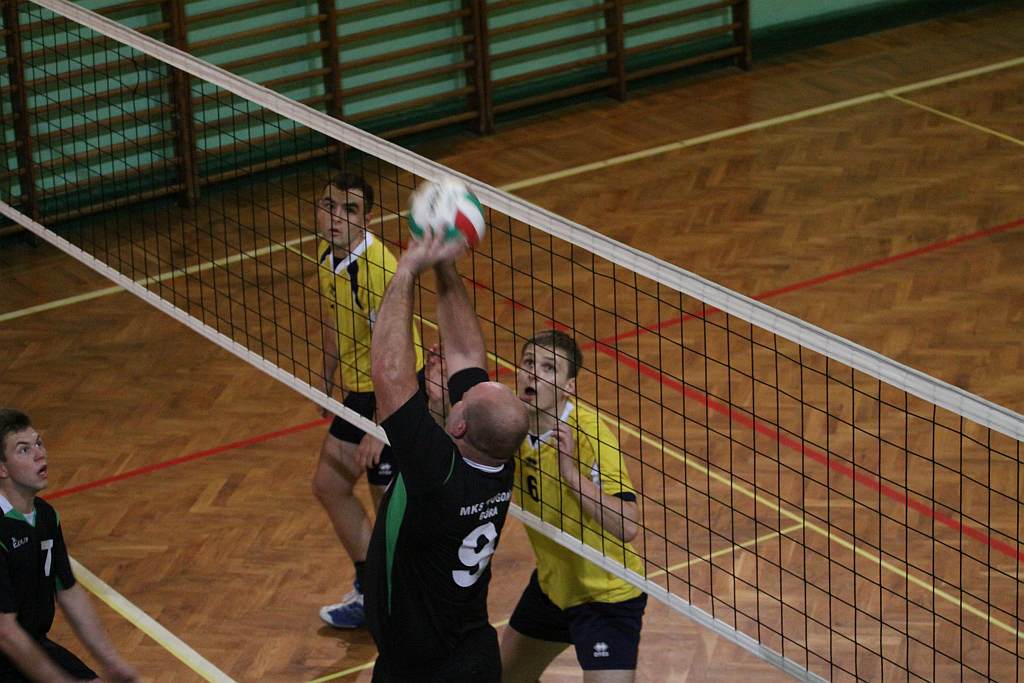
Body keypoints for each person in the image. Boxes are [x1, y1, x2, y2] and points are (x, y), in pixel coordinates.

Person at [364, 229, 529, 681]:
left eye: (465, 396)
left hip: (423, 671)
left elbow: (390, 374)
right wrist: (446, 266)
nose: (465, 384)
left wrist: (407, 269)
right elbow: (464, 352)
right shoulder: (496, 455)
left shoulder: (437, 474)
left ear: (458, 426)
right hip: (471, 654)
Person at [312, 173, 425, 629]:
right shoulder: (327, 258)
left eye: (350, 210)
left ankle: (404, 605)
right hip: (360, 392)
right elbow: (338, 322)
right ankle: (372, 589)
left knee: (391, 511)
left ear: (368, 218)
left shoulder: (377, 269)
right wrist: (325, 374)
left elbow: (396, 349)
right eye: (329, 205)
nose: (337, 217)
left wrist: (382, 424)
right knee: (329, 484)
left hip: (392, 394)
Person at [501, 330, 647, 682]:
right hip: (553, 587)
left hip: (605, 597)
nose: (533, 373)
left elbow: (627, 525)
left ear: (569, 386)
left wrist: (571, 474)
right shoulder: (508, 423)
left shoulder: (589, 435)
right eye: (529, 363)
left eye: (549, 368)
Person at [0, 409, 139, 683]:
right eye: (24, 450)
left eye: (39, 443)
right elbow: (4, 631)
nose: (40, 454)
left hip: (30, 645)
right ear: (1, 468)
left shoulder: (46, 517)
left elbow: (69, 591)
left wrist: (110, 661)